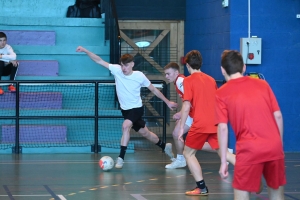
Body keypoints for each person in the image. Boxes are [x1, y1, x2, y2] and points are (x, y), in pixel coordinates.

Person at [76, 46, 178, 169]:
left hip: (136, 108)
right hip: (125, 110)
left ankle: (120, 158)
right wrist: (86, 51)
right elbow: (99, 60)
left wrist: (167, 102)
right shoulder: (117, 70)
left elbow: (154, 90)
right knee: (146, 133)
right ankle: (164, 146)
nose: (124, 68)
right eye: (122, 65)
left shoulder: (139, 76)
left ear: (132, 64)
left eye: (126, 65)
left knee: (125, 126)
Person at [216, 50, 286, 200]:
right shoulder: (263, 84)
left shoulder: (221, 93)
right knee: (276, 194)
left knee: (241, 194)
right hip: (274, 146)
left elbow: (222, 127)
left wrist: (223, 161)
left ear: (222, 69)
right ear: (244, 67)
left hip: (249, 149)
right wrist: (278, 146)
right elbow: (278, 116)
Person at [177, 50, 236, 196]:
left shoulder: (188, 80)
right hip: (215, 122)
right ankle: (252, 171)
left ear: (188, 65)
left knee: (188, 153)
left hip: (201, 124)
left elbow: (186, 106)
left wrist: (180, 129)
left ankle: (202, 188)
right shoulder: (211, 79)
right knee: (224, 153)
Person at [163, 62, 218, 169]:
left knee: (191, 142)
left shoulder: (180, 81)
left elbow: (191, 100)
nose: (166, 76)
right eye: (165, 74)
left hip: (196, 114)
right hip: (192, 113)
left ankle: (223, 150)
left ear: (176, 72)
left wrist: (181, 113)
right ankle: (180, 159)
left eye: (168, 74)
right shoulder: (179, 82)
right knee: (176, 133)